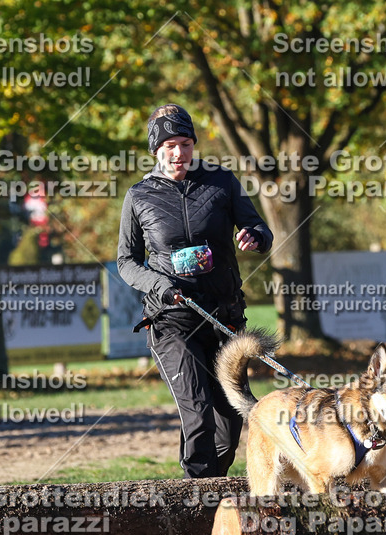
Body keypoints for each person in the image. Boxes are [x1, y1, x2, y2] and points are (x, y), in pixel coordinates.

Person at [117, 104, 273, 478]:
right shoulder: (139, 196)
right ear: (156, 150)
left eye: (186, 144)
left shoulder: (221, 183)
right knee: (198, 409)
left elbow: (261, 229)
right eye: (169, 145)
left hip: (224, 318)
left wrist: (255, 236)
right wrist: (160, 284)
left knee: (230, 424)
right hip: (173, 319)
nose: (179, 154)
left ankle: (211, 491)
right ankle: (197, 500)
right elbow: (126, 261)